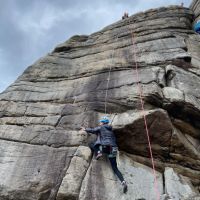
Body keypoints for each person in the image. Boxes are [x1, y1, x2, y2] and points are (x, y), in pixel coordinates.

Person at [82, 116, 128, 193]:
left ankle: (99, 153)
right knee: (115, 168)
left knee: (91, 144)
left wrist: (85, 129)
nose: (99, 123)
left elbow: (93, 130)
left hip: (105, 147)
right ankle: (123, 182)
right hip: (113, 149)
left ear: (103, 122)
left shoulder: (101, 127)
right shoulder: (111, 130)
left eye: (100, 122)